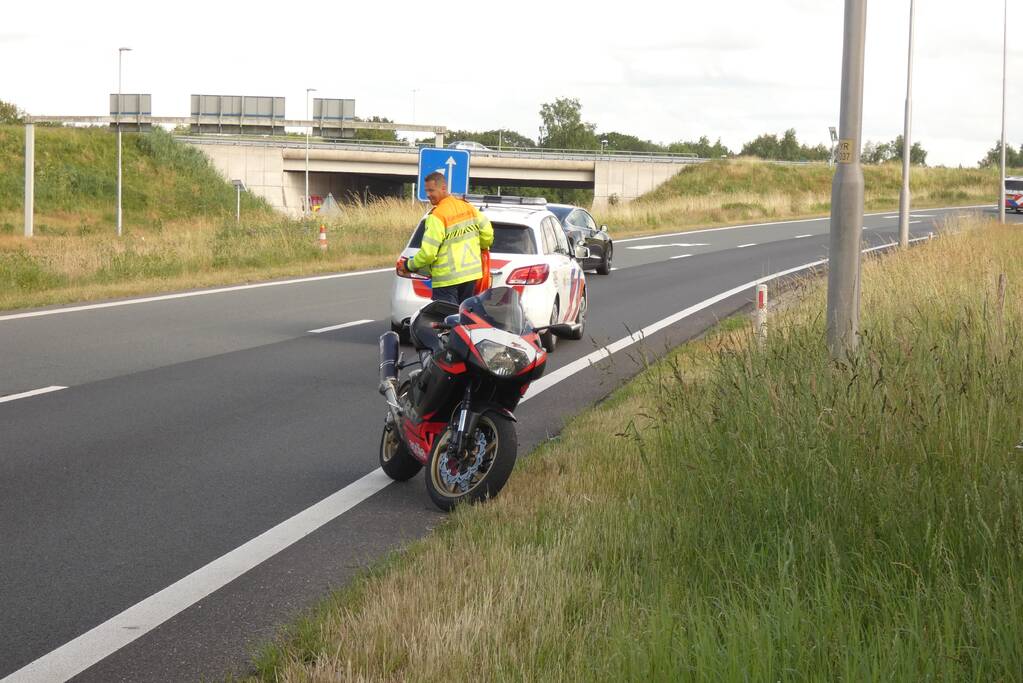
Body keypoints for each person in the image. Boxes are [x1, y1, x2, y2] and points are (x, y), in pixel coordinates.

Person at [400, 171, 494, 305]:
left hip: (447, 280)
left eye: (431, 190)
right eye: (426, 190)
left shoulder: (437, 216)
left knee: (446, 321)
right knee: (464, 319)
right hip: (471, 276)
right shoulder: (468, 207)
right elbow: (487, 233)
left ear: (443, 188)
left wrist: (408, 265)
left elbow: (428, 254)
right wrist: (482, 246)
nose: (428, 194)